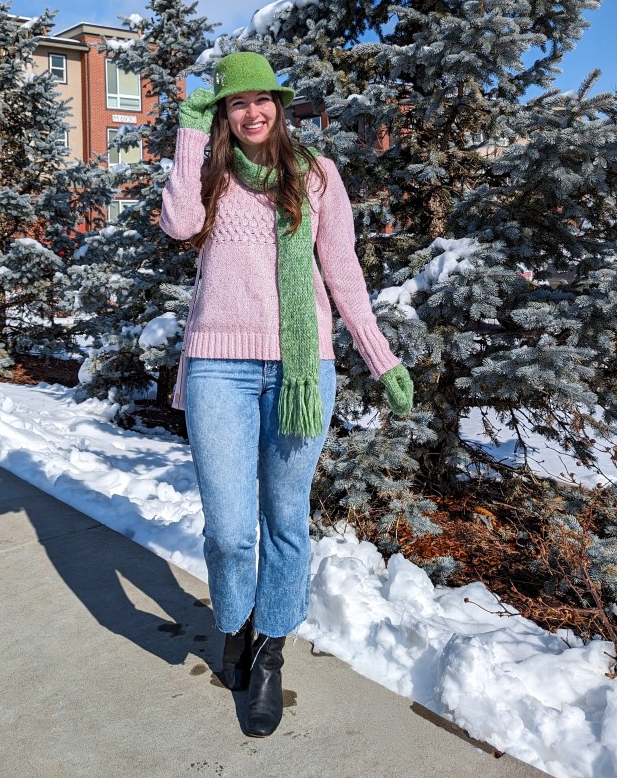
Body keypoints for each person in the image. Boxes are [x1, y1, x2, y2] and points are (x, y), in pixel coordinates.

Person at [159, 51, 412, 737]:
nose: (251, 112)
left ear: (277, 103)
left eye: (260, 100)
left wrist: (378, 355)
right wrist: (187, 133)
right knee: (228, 529)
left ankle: (269, 652)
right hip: (217, 367)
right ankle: (233, 624)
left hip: (301, 373)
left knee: (283, 519)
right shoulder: (209, 173)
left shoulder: (318, 176)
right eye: (235, 104)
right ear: (223, 113)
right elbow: (178, 226)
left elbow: (343, 272)